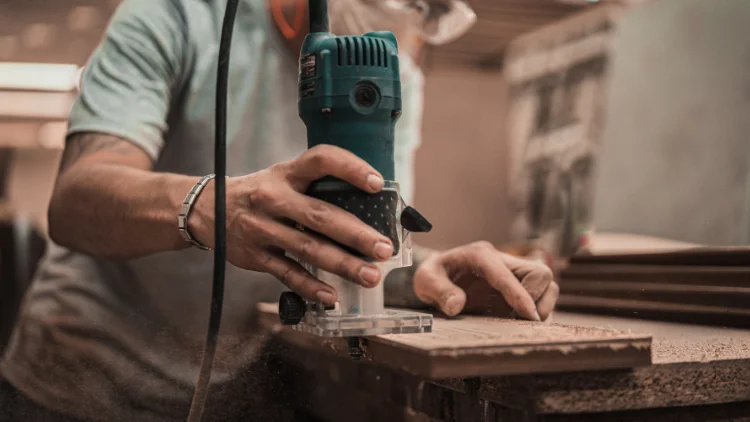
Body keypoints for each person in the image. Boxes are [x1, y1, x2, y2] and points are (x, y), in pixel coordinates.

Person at [0, 0, 559, 420]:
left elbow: (365, 230)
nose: (409, 16)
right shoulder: (176, 15)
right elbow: (77, 199)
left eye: (426, 9)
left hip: (234, 392)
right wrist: (211, 207)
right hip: (77, 385)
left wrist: (420, 274)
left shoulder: (394, 75)